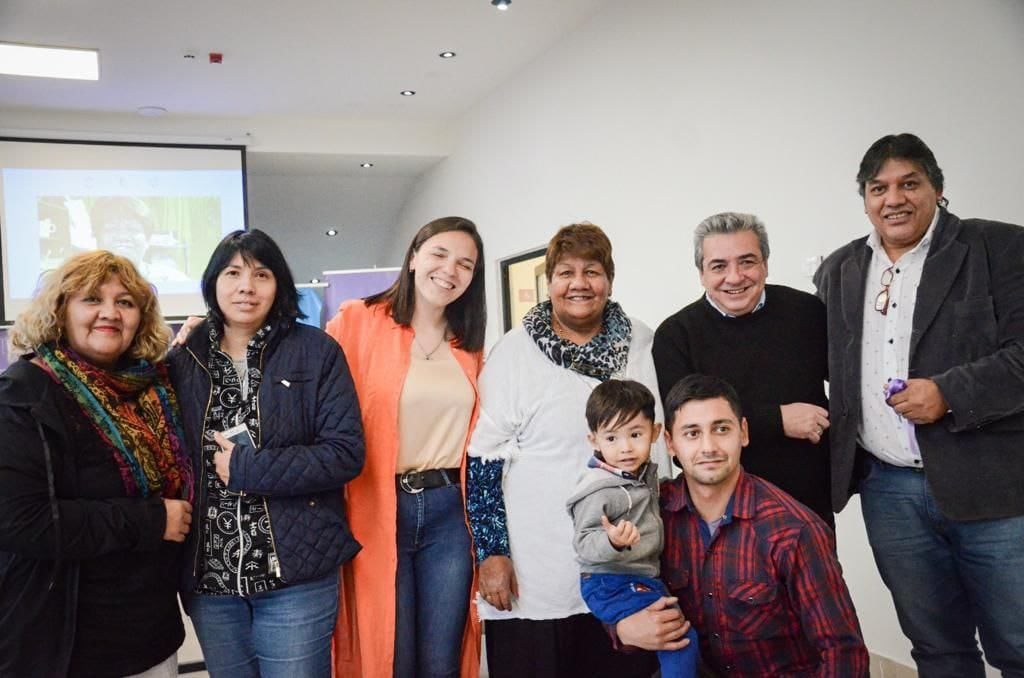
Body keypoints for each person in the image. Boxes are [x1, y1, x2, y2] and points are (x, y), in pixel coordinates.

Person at [814, 132, 1024, 675]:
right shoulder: (838, 271)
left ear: (938, 188)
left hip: (992, 488)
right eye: (879, 187)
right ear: (864, 199)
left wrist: (949, 394)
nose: (894, 198)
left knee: (1018, 644)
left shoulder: (998, 248)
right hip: (888, 492)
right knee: (936, 648)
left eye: (910, 183)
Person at [468, 222, 668, 678]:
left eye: (592, 271)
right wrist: (492, 553)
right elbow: (483, 460)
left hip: (625, 562)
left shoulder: (641, 342)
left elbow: (660, 445)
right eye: (566, 272)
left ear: (610, 280)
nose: (579, 283)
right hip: (536, 565)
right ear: (550, 282)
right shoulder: (515, 352)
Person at [168, 229, 364, 677]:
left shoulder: (316, 352)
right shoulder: (183, 359)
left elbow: (344, 454)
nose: (246, 286)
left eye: (261, 274)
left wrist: (249, 469)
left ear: (279, 286)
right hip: (210, 575)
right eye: (233, 273)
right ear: (213, 282)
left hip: (295, 572)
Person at [0, 250, 194, 676]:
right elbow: (19, 521)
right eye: (91, 299)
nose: (110, 313)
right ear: (60, 310)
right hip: (65, 645)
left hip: (150, 636)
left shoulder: (152, 389)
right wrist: (150, 520)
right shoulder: (24, 393)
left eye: (125, 302)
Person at [618, 374, 869, 676]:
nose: (708, 447)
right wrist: (622, 628)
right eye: (692, 433)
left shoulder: (794, 531)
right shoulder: (652, 515)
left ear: (744, 433)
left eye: (721, 429)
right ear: (670, 443)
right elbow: (610, 579)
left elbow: (843, 652)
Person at [326, 216, 487, 678]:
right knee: (390, 653)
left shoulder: (469, 345)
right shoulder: (358, 320)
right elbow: (308, 389)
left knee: (442, 660)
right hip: (378, 506)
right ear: (414, 257)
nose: (449, 270)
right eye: (439, 254)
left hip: (448, 514)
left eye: (465, 264)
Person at [653, 212, 832, 527]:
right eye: (719, 266)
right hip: (720, 512)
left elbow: (851, 387)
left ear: (765, 264)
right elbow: (687, 428)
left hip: (806, 505)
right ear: (701, 274)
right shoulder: (675, 336)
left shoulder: (807, 312)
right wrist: (778, 420)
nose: (734, 277)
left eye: (747, 262)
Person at [566, 379, 698, 678]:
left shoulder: (639, 475)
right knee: (680, 638)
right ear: (594, 441)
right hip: (610, 580)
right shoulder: (598, 490)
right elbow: (584, 543)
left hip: (638, 575)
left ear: (654, 433)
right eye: (611, 438)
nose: (625, 448)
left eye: (635, 434)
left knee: (672, 638)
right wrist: (611, 541)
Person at [90, 197, 189, 282]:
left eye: (132, 229)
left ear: (147, 240)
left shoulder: (172, 279)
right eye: (112, 229)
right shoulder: (82, 281)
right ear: (97, 238)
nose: (123, 237)